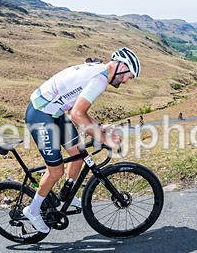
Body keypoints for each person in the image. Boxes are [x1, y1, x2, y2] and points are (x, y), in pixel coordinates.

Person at [23, 48, 141, 233]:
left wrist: (99, 127)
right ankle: (32, 210)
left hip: (55, 113)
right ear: (121, 67)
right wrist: (103, 138)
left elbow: (74, 109)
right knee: (56, 171)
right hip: (39, 115)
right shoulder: (99, 80)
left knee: (78, 153)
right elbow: (77, 115)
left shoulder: (98, 71)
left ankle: (65, 195)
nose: (126, 81)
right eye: (129, 76)